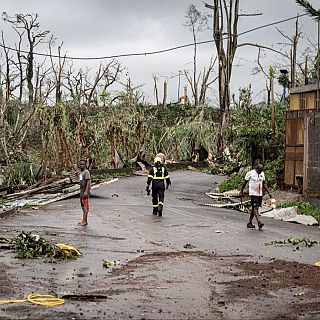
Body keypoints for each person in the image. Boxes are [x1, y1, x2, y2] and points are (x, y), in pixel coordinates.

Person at [240, 163, 272, 230]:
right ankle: (259, 222)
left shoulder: (262, 174)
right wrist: (241, 191)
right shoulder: (250, 173)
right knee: (256, 207)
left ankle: (249, 222)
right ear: (256, 169)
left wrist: (269, 193)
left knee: (254, 208)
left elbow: (264, 184)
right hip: (253, 193)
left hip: (259, 194)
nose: (261, 172)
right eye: (260, 170)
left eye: (262, 170)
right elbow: (244, 183)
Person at [78, 159, 91, 226]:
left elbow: (88, 182)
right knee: (82, 205)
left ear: (85, 165)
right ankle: (84, 220)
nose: (81, 165)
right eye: (80, 164)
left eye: (83, 164)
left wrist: (86, 191)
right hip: (81, 190)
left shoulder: (86, 172)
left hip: (85, 191)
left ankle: (85, 221)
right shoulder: (81, 172)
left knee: (85, 206)